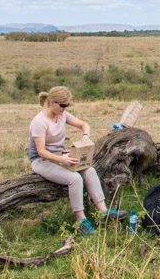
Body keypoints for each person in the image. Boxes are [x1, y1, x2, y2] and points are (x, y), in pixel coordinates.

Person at [28, 86, 124, 235]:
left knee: (90, 170)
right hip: (42, 161)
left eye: (68, 105)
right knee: (75, 179)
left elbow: (84, 124)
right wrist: (62, 159)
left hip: (60, 156)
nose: (66, 108)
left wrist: (85, 136)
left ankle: (103, 211)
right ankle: (81, 220)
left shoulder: (62, 114)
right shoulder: (39, 122)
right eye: (63, 105)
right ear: (52, 102)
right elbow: (41, 151)